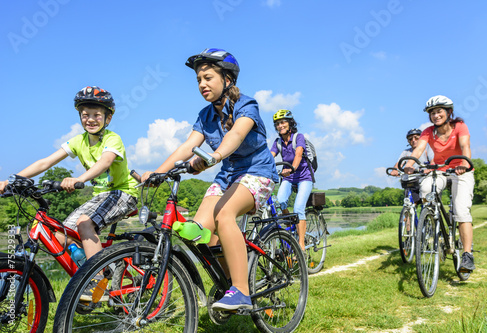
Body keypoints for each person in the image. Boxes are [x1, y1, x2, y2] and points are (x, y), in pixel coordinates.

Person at [141, 48, 279, 311]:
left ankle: (241, 291)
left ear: (227, 79)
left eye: (208, 77)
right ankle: (231, 279)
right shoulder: (205, 115)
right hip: (228, 176)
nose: (202, 84)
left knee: (224, 215)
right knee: (199, 232)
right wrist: (157, 173)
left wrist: (214, 156)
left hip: (257, 173)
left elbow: (236, 135)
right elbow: (187, 147)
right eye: (198, 80)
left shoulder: (246, 105)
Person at [0, 86, 138, 263]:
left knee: (84, 223)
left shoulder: (113, 139)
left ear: (108, 118)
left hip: (123, 193)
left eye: (96, 115)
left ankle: (96, 280)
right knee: (59, 237)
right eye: (85, 114)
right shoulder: (78, 141)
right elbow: (46, 162)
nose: (90, 119)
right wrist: (11, 181)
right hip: (100, 197)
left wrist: (79, 179)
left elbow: (105, 162)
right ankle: (96, 267)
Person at [403, 95, 475, 273]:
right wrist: (410, 165)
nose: (436, 115)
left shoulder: (459, 126)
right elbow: (419, 149)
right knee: (426, 189)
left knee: (460, 210)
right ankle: (431, 221)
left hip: (460, 170)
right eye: (432, 113)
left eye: (439, 111)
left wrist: (464, 164)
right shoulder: (428, 132)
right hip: (440, 169)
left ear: (449, 112)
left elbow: (465, 146)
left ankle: (467, 255)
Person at [270, 109, 314, 253]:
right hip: (289, 177)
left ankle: (300, 244)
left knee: (298, 208)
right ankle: (291, 224)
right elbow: (270, 157)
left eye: (283, 122)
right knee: (280, 201)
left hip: (304, 176)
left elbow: (299, 154)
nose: (280, 126)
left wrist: (292, 168)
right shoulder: (278, 142)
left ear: (290, 123)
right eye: (277, 124)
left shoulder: (298, 137)